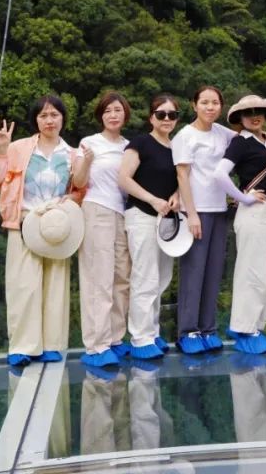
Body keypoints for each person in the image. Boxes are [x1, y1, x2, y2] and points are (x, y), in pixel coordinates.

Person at [0, 95, 82, 367]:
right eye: (43, 115)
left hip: (57, 227)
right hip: (24, 221)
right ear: (35, 120)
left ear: (63, 118)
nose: (49, 120)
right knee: (23, 286)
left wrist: (71, 200)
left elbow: (80, 190)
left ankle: (52, 344)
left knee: (56, 286)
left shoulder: (72, 154)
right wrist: (2, 150)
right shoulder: (18, 148)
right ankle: (22, 346)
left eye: (54, 115)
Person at [215, 94, 266, 355]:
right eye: (248, 113)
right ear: (240, 118)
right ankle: (244, 329)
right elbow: (220, 174)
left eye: (259, 112)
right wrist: (243, 197)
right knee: (252, 273)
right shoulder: (241, 142)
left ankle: (254, 325)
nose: (254, 117)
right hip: (253, 211)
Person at [172, 85, 236, 354]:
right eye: (204, 102)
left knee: (213, 272)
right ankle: (188, 331)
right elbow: (182, 176)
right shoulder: (185, 136)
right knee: (193, 271)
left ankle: (208, 329)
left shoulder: (223, 133)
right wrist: (192, 214)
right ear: (194, 105)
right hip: (196, 211)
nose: (210, 107)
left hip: (220, 210)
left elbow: (244, 139)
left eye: (215, 103)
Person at [117, 94, 181, 360]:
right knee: (145, 277)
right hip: (142, 216)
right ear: (151, 117)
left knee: (162, 278)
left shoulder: (177, 148)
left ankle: (152, 332)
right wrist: (152, 200)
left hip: (167, 221)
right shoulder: (141, 143)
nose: (166, 119)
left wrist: (176, 195)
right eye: (161, 114)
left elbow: (182, 180)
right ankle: (140, 338)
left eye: (172, 115)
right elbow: (123, 178)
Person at [72, 92, 132, 368]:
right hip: (97, 210)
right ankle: (97, 345)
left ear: (125, 114)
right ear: (100, 116)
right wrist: (86, 160)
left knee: (122, 277)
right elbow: (78, 182)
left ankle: (115, 338)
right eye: (107, 111)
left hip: (123, 214)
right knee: (99, 278)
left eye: (117, 110)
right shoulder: (89, 143)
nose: (113, 115)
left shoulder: (129, 147)